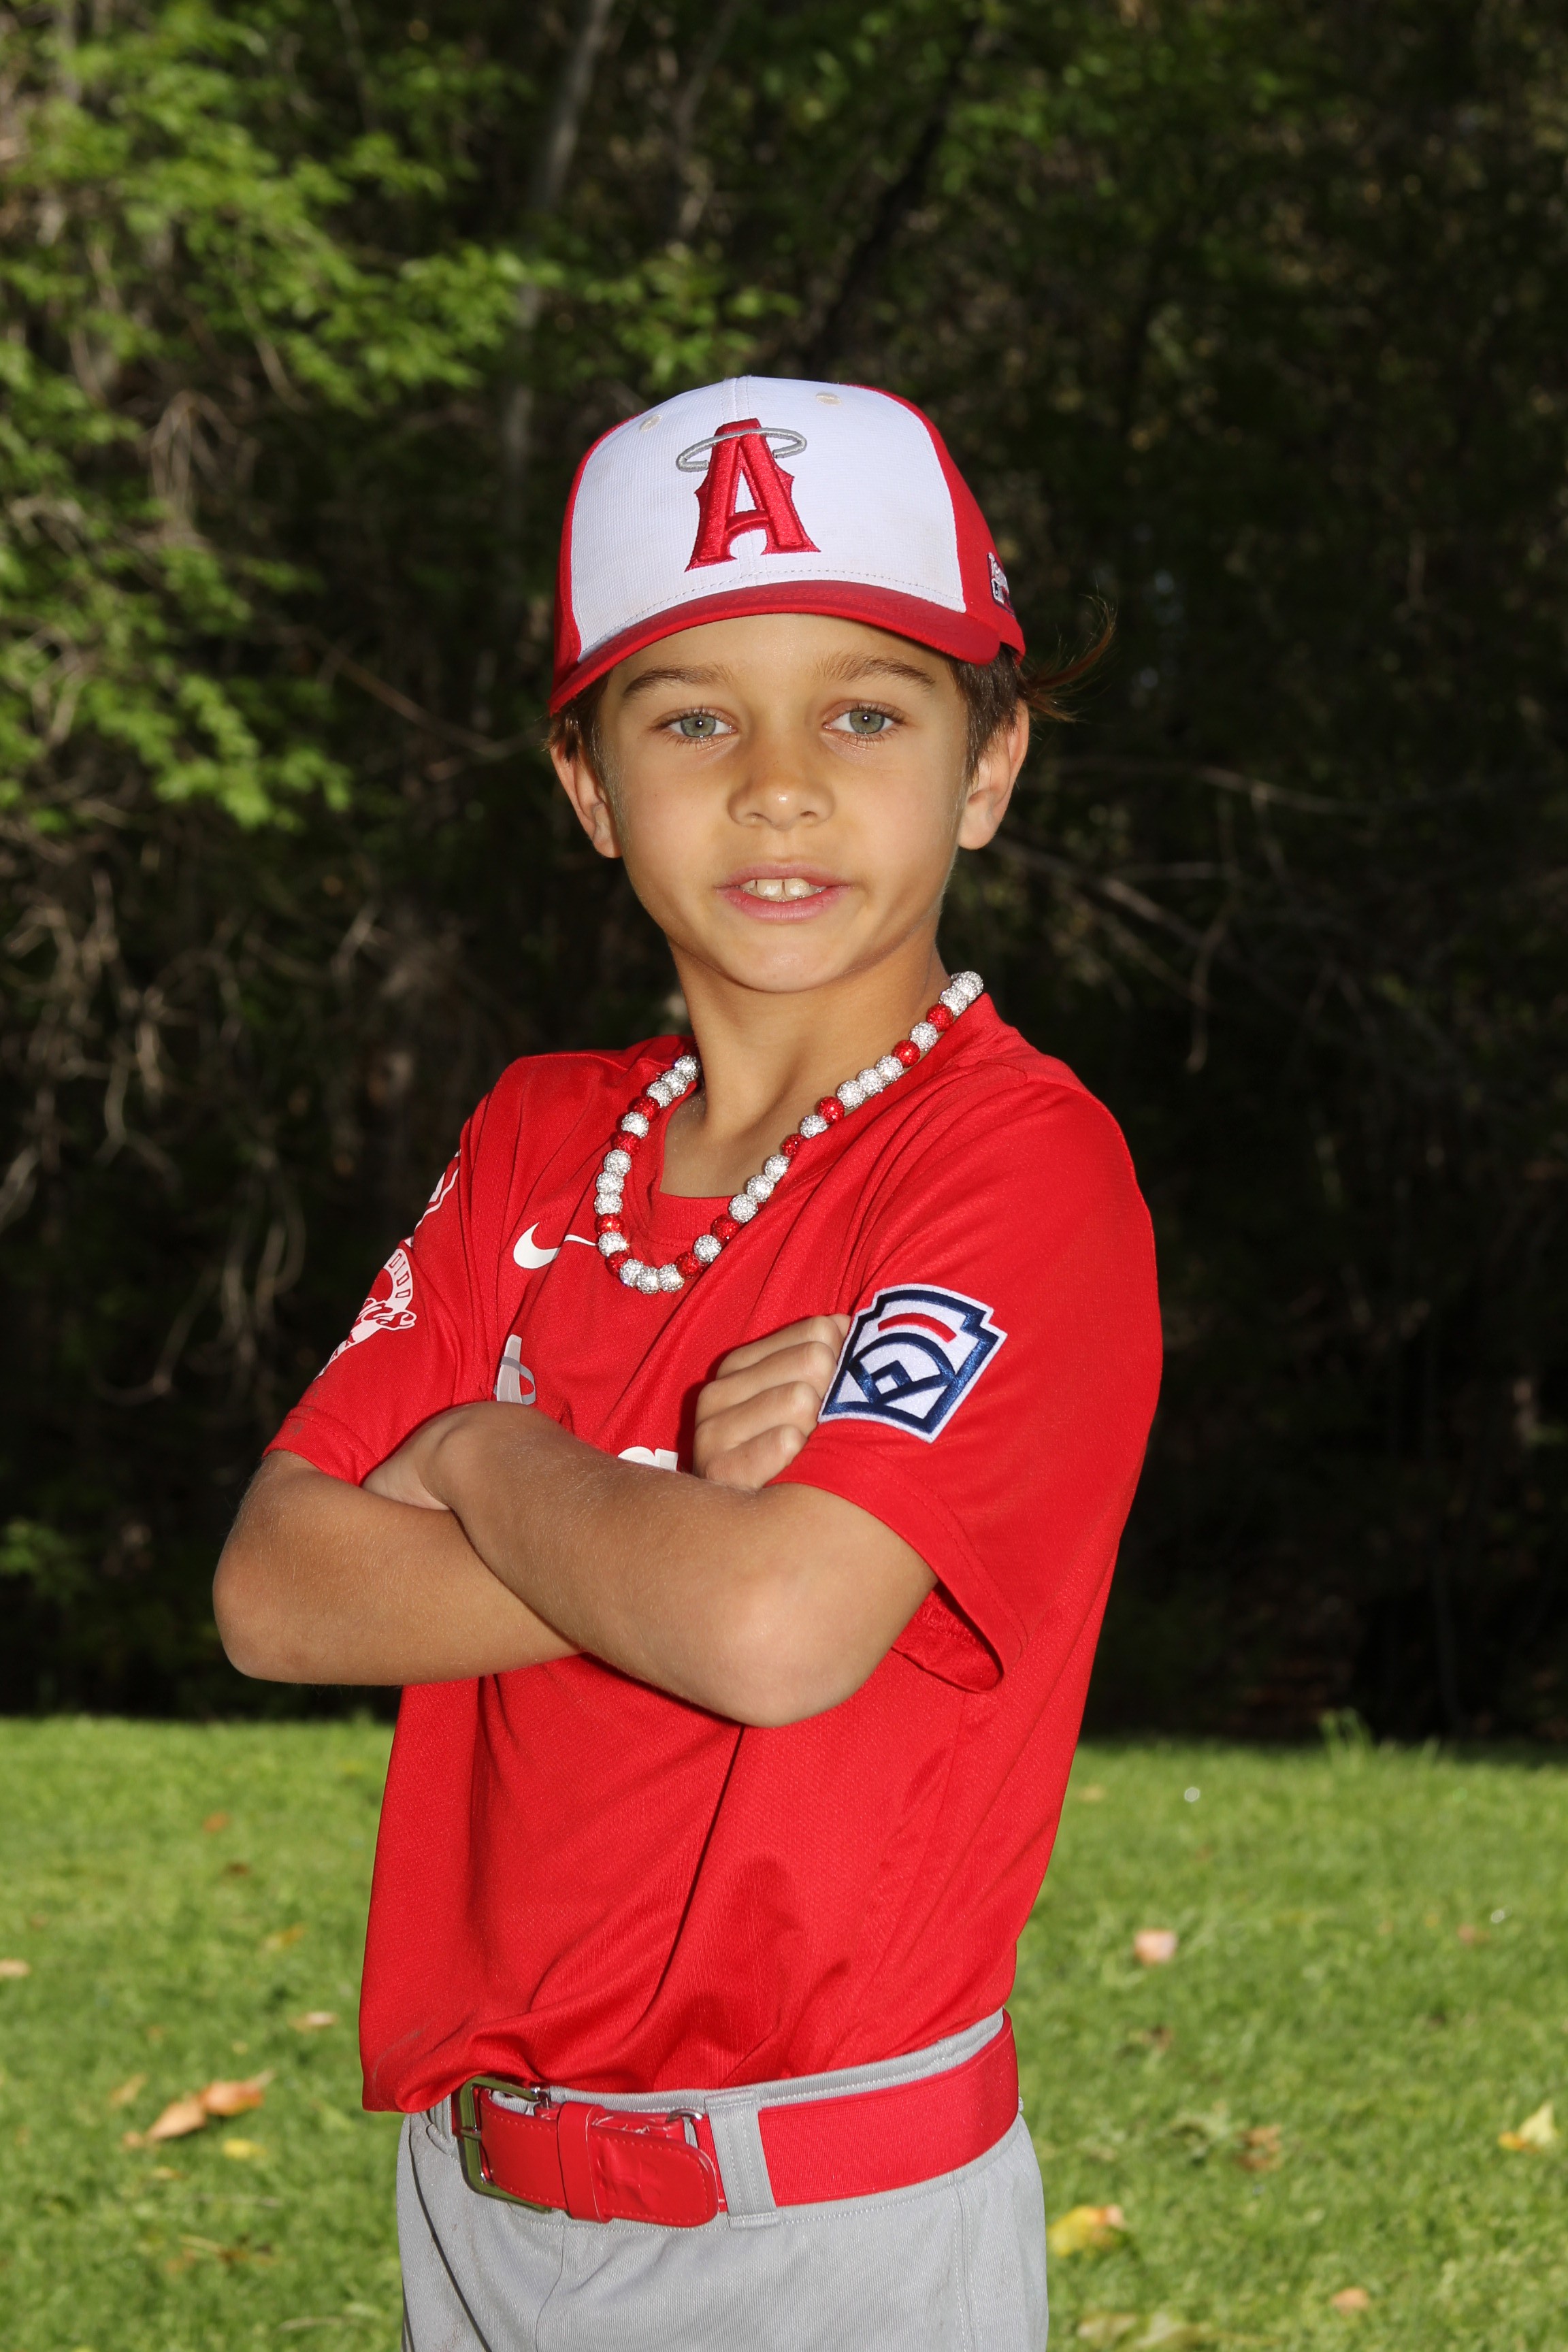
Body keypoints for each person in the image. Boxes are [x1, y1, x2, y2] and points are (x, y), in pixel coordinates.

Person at [214, 375, 1162, 2352]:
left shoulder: (1015, 1160)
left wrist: (481, 1453)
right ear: (589, 788)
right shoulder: (539, 1135)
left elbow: (771, 1629)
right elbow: (279, 1593)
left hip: (824, 2222)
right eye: (693, 719)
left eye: (868, 714)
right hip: (480, 2194)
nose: (780, 786)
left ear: (989, 766)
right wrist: (669, 1500)